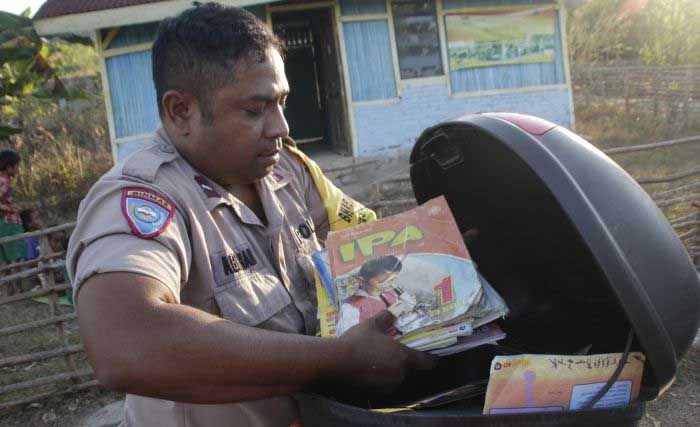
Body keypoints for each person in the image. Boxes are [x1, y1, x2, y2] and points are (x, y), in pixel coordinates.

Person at [67, 4, 435, 427]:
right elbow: (124, 343)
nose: (280, 126)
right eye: (254, 110)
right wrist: (340, 360)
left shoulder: (287, 170)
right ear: (180, 111)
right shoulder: (143, 199)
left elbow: (369, 238)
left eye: (282, 102)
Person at [337, 256, 417, 336]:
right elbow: (349, 340)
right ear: (361, 280)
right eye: (381, 281)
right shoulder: (351, 308)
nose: (386, 286)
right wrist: (385, 318)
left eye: (391, 280)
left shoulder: (389, 294)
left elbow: (410, 306)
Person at [0, 149, 25, 296]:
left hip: (3, 223)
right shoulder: (4, 181)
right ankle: (18, 289)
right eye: (16, 166)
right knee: (16, 256)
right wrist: (9, 209)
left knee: (6, 259)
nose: (17, 169)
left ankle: (10, 290)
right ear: (8, 167)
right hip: (9, 222)